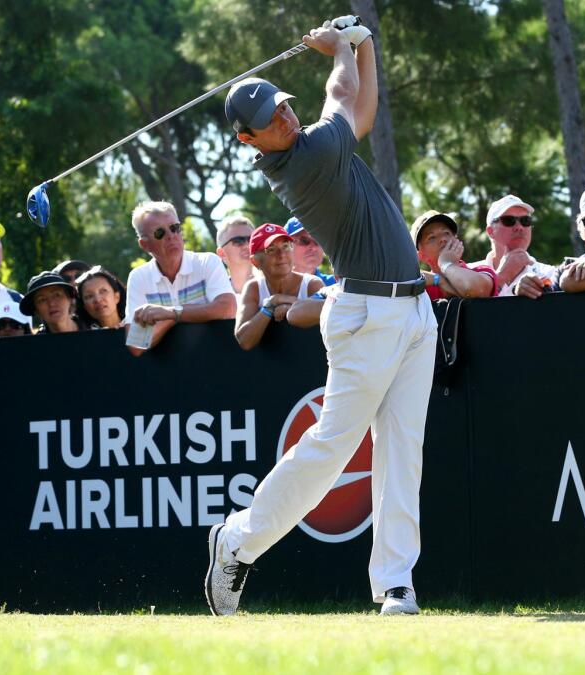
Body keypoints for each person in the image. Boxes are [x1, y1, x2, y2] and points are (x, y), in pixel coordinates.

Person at [208, 16, 436, 617]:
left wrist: (366, 47)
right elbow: (340, 94)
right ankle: (239, 541)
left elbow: (361, 113)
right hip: (366, 313)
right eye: (269, 122)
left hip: (414, 308)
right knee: (334, 446)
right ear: (248, 141)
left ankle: (394, 584)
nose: (284, 118)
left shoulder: (322, 145)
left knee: (402, 451)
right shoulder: (303, 163)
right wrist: (340, 47)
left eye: (284, 108)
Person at [124, 201, 236, 352]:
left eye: (174, 228)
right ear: (144, 245)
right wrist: (172, 317)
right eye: (159, 233)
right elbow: (136, 345)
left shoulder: (207, 261)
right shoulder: (138, 277)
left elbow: (228, 309)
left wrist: (171, 313)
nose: (171, 236)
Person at [234, 224, 324, 350]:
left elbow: (328, 315)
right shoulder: (253, 288)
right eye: (271, 249)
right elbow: (244, 341)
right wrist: (269, 306)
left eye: (285, 246)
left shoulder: (312, 284)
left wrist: (286, 303)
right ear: (255, 261)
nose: (281, 255)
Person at [482, 195, 558, 299]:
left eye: (525, 220)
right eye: (508, 220)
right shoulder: (469, 273)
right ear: (490, 231)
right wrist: (502, 276)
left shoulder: (550, 274)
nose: (519, 227)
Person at [410, 210, 496, 300]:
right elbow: (397, 277)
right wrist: (438, 280)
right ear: (421, 255)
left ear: (456, 240)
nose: (443, 239)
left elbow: (473, 289)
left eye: (446, 233)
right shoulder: (422, 288)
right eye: (431, 237)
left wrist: (445, 264)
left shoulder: (481, 271)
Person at [285, 216, 337, 286]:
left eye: (319, 240)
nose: (313, 248)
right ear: (286, 246)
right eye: (304, 240)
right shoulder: (272, 287)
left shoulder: (338, 286)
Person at [215, 216, 256, 295]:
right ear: (222, 253)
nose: (247, 245)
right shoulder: (217, 296)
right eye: (238, 241)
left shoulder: (275, 285)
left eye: (251, 239)